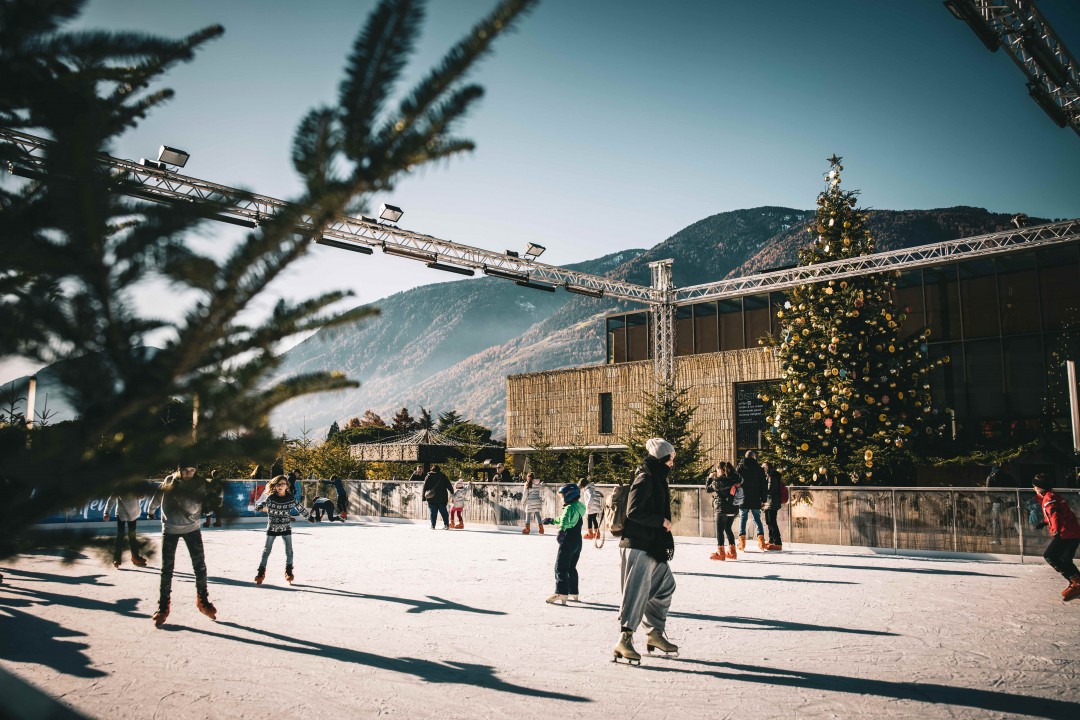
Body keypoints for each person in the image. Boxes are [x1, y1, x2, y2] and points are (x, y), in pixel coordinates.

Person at [614, 438, 679, 664]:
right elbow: (633, 511)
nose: (673, 463)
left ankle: (654, 633)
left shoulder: (657, 477)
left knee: (665, 585)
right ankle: (625, 639)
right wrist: (661, 521)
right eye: (671, 458)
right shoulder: (646, 477)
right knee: (636, 592)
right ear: (662, 458)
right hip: (638, 545)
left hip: (653, 546)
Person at [146, 461, 217, 627]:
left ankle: (203, 600)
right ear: (179, 470)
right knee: (167, 569)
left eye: (192, 470)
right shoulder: (169, 480)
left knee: (200, 566)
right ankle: (163, 607)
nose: (189, 473)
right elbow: (158, 496)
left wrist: (209, 508)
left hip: (192, 529)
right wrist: (151, 510)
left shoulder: (200, 484)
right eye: (185, 470)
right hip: (170, 529)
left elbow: (209, 502)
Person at [254, 475, 311, 585]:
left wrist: (309, 517)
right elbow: (264, 503)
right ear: (274, 486)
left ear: (287, 486)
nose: (280, 486)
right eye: (278, 484)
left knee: (289, 550)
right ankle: (261, 573)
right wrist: (259, 507)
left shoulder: (290, 498)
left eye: (283, 484)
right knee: (266, 550)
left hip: (286, 527)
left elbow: (300, 508)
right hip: (272, 527)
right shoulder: (271, 498)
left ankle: (288, 571)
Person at [1032, 474, 1080, 601]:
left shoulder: (1049, 499)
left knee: (1050, 556)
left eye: (1036, 486)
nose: (1034, 488)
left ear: (1042, 487)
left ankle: (1076, 583)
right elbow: (1056, 514)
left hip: (1066, 533)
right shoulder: (1052, 496)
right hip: (1073, 532)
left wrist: (1056, 531)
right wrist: (1045, 522)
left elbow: (1055, 515)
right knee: (1065, 560)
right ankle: (1076, 583)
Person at [544, 483, 587, 605]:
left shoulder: (569, 508)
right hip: (577, 540)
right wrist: (552, 520)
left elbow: (564, 520)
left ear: (568, 495)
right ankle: (573, 592)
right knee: (571, 567)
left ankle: (561, 592)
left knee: (560, 567)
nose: (561, 498)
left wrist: (561, 530)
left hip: (568, 539)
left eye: (562, 496)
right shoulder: (578, 507)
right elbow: (566, 518)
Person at [103, 490, 148, 569]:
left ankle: (135, 557)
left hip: (133, 513)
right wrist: (106, 512)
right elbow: (111, 499)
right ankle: (117, 558)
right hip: (122, 513)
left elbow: (142, 495)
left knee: (132, 536)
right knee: (120, 536)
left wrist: (141, 496)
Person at [705, 463, 740, 560]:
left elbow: (708, 489)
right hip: (734, 508)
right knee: (728, 528)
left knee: (720, 530)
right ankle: (733, 552)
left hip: (722, 509)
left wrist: (710, 478)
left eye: (717, 469)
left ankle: (721, 553)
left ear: (720, 470)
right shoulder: (735, 479)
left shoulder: (718, 481)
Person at [736, 450, 767, 551]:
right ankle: (761, 542)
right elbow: (763, 485)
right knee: (757, 519)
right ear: (754, 457)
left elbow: (736, 482)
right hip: (755, 498)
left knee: (743, 519)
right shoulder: (759, 469)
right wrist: (763, 499)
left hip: (743, 498)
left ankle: (742, 543)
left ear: (745, 457)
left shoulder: (740, 467)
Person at [422, 464, 454, 530]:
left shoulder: (428, 476)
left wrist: (424, 497)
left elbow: (424, 487)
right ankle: (446, 525)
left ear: (432, 470)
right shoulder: (443, 476)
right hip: (442, 498)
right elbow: (449, 485)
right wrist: (452, 492)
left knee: (433, 512)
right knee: (443, 512)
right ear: (439, 470)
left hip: (431, 498)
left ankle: (433, 525)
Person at [761, 460, 784, 551]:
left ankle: (777, 542)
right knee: (768, 522)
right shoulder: (768, 475)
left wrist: (762, 492)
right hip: (769, 502)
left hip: (772, 502)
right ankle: (771, 541)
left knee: (772, 522)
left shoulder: (772, 476)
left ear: (768, 467)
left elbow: (770, 490)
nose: (762, 468)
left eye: (764, 466)